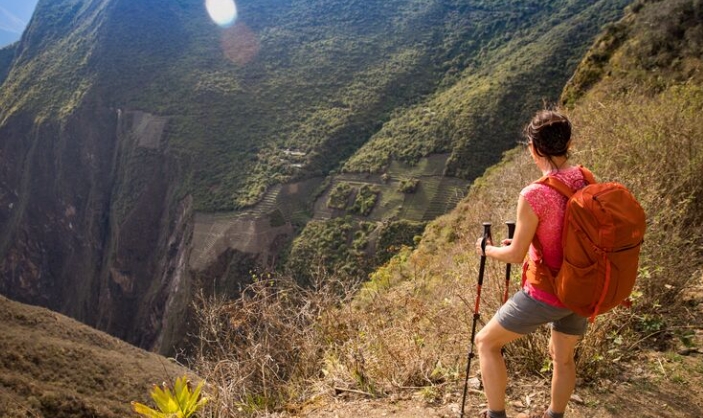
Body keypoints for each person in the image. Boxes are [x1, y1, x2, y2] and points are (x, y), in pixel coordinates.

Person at [473, 110, 589, 418]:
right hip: (581, 289)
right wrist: (525, 241)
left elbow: (514, 256)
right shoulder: (585, 178)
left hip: (548, 292)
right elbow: (567, 230)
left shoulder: (535, 194)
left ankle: (496, 415)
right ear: (570, 143)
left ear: (533, 148)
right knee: (563, 359)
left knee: (485, 342)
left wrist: (488, 250)